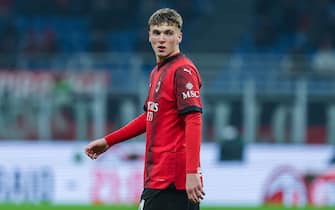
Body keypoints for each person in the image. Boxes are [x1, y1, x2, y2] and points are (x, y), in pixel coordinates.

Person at [85, 8, 205, 210]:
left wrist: (191, 172)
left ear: (179, 37)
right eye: (157, 32)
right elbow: (150, 117)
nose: (162, 39)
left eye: (168, 33)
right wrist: (109, 141)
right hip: (159, 178)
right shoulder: (157, 72)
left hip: (172, 181)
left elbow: (193, 120)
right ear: (149, 36)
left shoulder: (182, 70)